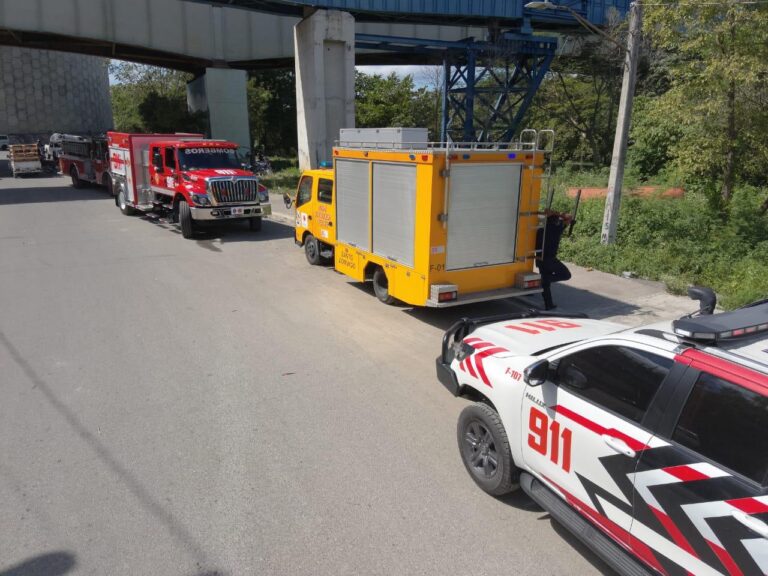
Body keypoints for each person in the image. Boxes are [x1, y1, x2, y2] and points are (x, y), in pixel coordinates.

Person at [535, 210, 573, 310]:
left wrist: (554, 215)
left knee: (546, 285)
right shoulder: (557, 229)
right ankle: (545, 279)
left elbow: (545, 213)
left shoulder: (539, 230)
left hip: (539, 259)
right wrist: (560, 214)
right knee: (566, 275)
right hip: (550, 260)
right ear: (555, 222)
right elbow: (569, 217)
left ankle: (549, 304)